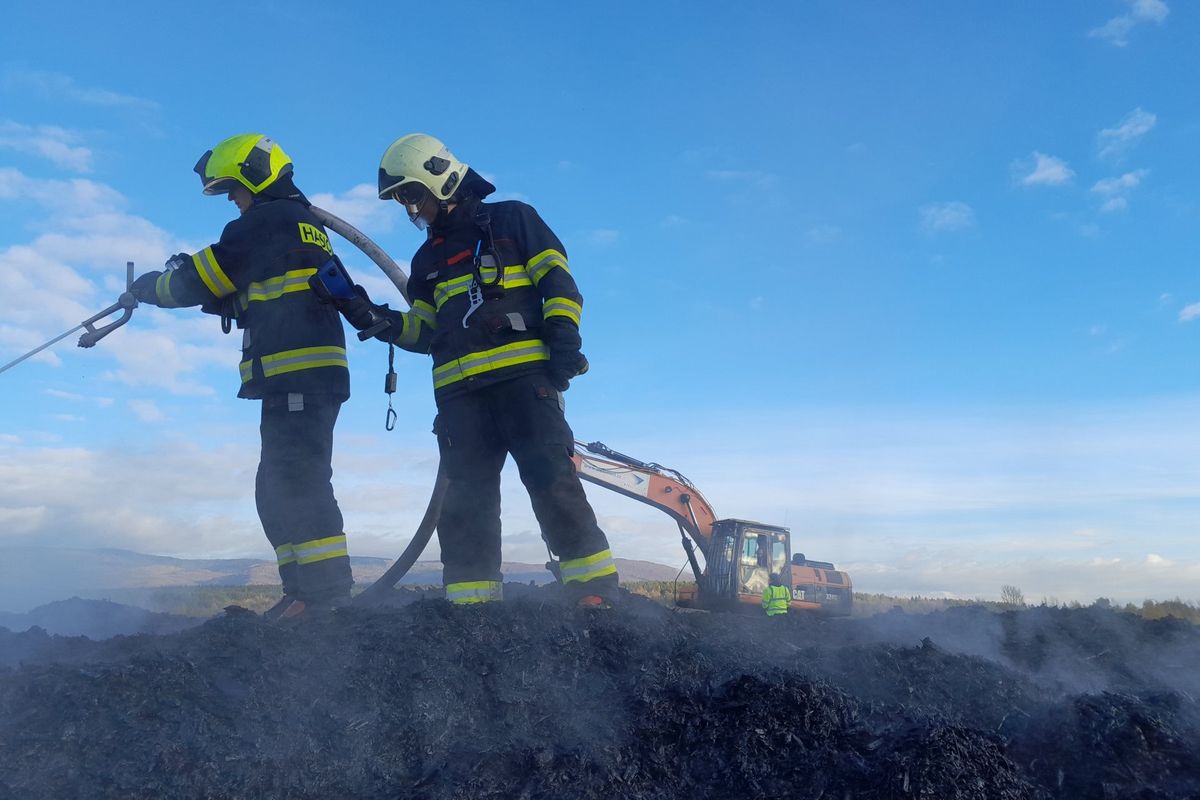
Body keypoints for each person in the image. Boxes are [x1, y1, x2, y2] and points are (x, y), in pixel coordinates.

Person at [329, 133, 618, 607]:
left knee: (552, 484)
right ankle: (472, 611)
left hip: (524, 386)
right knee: (465, 507)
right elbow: (425, 332)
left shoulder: (512, 220)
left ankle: (595, 599)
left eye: (412, 194)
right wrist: (377, 320)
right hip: (461, 402)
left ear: (439, 177)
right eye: (403, 199)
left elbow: (558, 282)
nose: (410, 209)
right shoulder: (426, 260)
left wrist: (565, 339)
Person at [129, 133, 353, 620]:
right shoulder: (300, 224)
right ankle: (304, 593)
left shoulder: (264, 221)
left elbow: (200, 279)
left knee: (297, 481)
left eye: (234, 188)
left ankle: (326, 600)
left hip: (298, 374)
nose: (232, 198)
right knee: (277, 486)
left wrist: (148, 288)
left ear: (255, 175)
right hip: (300, 376)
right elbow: (252, 290)